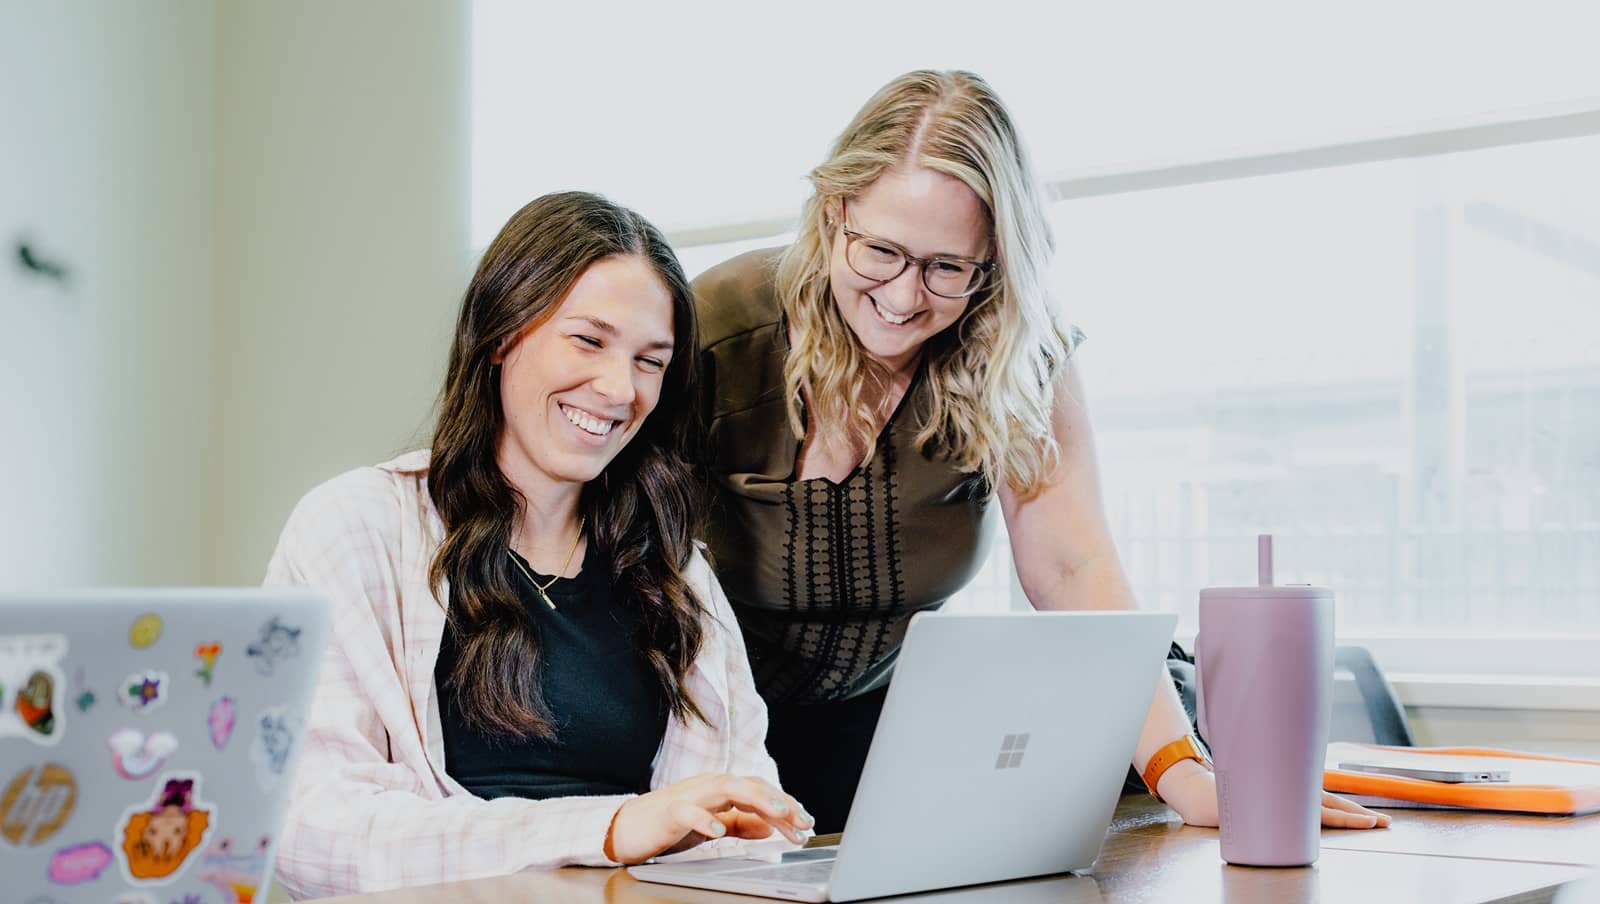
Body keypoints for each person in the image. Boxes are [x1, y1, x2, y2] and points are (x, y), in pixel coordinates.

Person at [692, 70, 1392, 835]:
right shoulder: (714, 323)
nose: (903, 298)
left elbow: (1072, 569)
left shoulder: (1016, 350)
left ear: (993, 260)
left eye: (946, 268)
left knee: (1144, 726)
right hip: (713, 722)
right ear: (834, 216)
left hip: (887, 727)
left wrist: (1181, 772)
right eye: (882, 252)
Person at [266, 192, 812, 899]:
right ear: (502, 333)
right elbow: (311, 828)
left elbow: (744, 828)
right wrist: (610, 828)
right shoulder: (353, 528)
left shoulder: (678, 573)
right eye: (588, 340)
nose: (618, 389)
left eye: (651, 362)